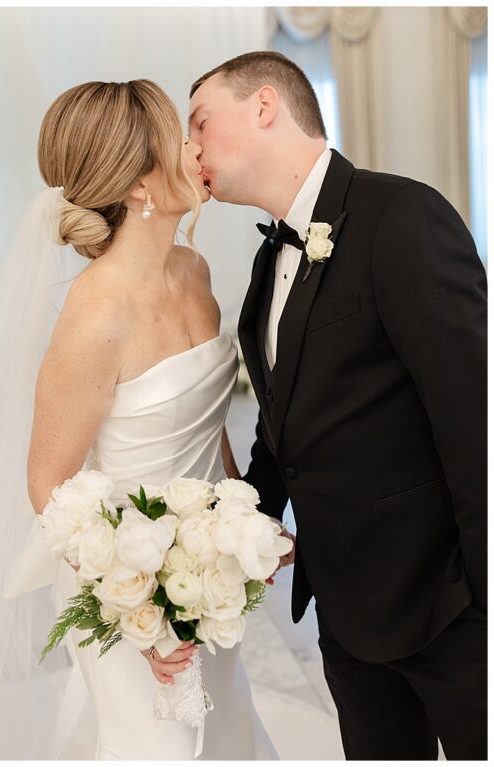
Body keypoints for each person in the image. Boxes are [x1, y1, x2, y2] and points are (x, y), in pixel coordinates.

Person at [187, 51, 487, 760]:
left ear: (264, 106)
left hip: (454, 613)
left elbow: (477, 421)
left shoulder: (401, 216)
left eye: (198, 122)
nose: (189, 147)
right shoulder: (267, 265)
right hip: (348, 620)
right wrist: (233, 537)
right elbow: (281, 427)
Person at [0, 80, 277, 760]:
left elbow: (207, 430)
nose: (195, 146)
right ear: (140, 187)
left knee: (225, 730)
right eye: (179, 137)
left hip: (209, 577)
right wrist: (140, 617)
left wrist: (245, 523)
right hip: (122, 585)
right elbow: (49, 488)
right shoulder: (96, 318)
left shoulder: (195, 271)